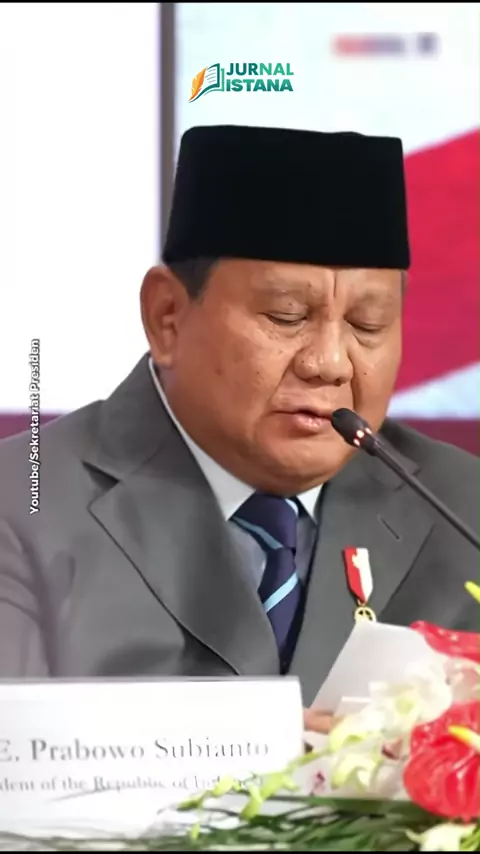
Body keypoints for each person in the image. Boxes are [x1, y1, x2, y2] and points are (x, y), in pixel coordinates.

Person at [0, 125, 478, 727]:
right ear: (168, 317)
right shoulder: (23, 505)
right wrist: (258, 739)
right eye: (287, 316)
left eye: (368, 325)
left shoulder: (464, 510)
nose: (329, 363)